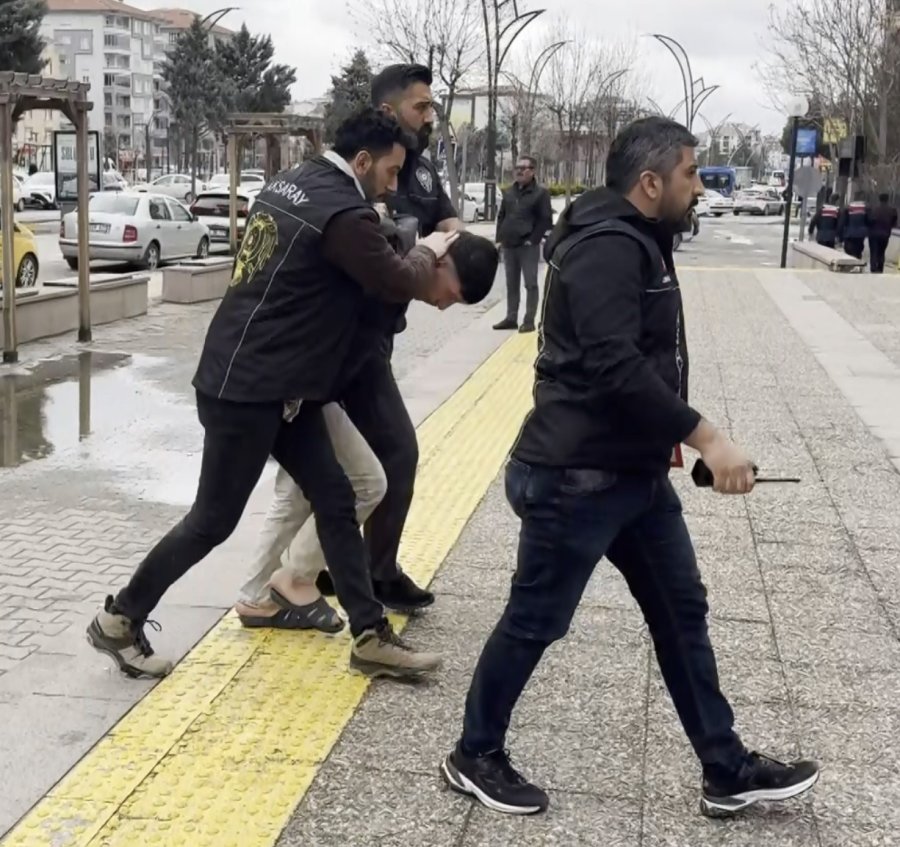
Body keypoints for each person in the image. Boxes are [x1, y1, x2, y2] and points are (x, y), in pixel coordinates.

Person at [441, 116, 820, 817]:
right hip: (575, 477)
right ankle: (474, 752)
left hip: (632, 477)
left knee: (681, 613)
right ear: (650, 183)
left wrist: (675, 445)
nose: (699, 188)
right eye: (689, 175)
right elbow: (615, 366)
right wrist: (707, 436)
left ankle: (725, 766)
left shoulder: (636, 237)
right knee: (535, 621)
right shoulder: (610, 248)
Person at [86, 108, 459, 681]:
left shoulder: (302, 180)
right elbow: (397, 278)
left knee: (335, 497)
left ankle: (369, 636)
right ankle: (121, 618)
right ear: (362, 162)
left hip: (269, 381)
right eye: (389, 171)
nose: (393, 183)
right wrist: (430, 245)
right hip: (250, 390)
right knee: (212, 521)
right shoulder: (343, 212)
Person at [235, 228, 499, 631]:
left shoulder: (400, 270)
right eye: (453, 293)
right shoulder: (388, 270)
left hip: (316, 385)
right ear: (440, 262)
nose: (445, 306)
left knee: (303, 490)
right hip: (310, 386)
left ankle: (263, 591)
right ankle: (294, 580)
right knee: (356, 483)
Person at [314, 63, 464, 615]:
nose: (430, 115)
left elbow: (448, 225)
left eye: (432, 106)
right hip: (338, 341)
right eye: (421, 107)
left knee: (368, 463)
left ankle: (358, 570)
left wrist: (440, 240)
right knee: (380, 456)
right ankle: (340, 574)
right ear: (387, 111)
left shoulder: (418, 172)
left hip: (378, 337)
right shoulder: (358, 169)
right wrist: (415, 249)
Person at [492, 156, 553, 334]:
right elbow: (502, 216)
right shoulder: (509, 192)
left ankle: (529, 320)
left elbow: (545, 220)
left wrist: (532, 239)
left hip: (527, 246)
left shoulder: (541, 193)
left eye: (523, 168)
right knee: (512, 284)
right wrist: (499, 238)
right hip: (509, 245)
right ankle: (511, 318)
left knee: (531, 283)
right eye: (517, 167)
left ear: (532, 171)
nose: (519, 171)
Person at [867, 193, 897, 274]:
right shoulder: (892, 210)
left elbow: (869, 220)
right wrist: (889, 226)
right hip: (885, 234)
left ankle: (873, 267)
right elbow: (894, 221)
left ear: (879, 199)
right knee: (881, 251)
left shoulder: (874, 209)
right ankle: (880, 267)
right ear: (887, 199)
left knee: (873, 251)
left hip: (873, 234)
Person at [838, 191, 869, 259]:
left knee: (849, 251)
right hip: (861, 234)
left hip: (849, 234)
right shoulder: (866, 207)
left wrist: (840, 237)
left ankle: (851, 261)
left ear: (854, 197)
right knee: (858, 250)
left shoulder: (848, 207)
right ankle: (857, 260)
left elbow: (842, 222)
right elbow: (869, 220)